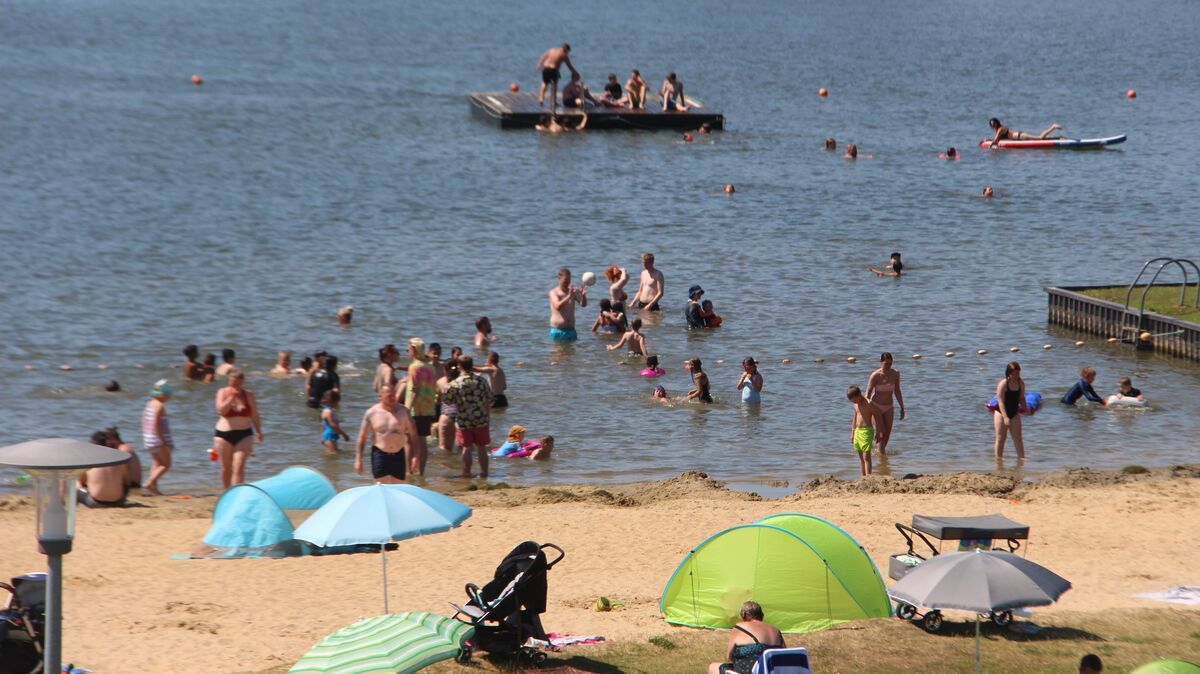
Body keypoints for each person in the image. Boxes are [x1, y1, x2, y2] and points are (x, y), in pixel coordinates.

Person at [443, 356, 493, 478]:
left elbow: (447, 402)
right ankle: (484, 473)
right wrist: (487, 415)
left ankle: (466, 473)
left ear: (459, 366)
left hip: (464, 420)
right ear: (471, 365)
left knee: (466, 448)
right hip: (481, 419)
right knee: (482, 448)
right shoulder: (481, 381)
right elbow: (489, 399)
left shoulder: (454, 384)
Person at [355, 386, 417, 484]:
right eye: (389, 396)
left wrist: (415, 456)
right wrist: (358, 460)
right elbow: (362, 438)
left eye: (394, 395)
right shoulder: (371, 413)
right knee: (381, 487)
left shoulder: (404, 412)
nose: (393, 398)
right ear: (381, 396)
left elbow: (413, 434)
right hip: (380, 454)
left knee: (399, 487)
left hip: (398, 454)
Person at [707, 601, 785, 674]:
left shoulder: (740, 627)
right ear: (761, 614)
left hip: (749, 671)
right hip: (772, 671)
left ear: (743, 614)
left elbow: (729, 657)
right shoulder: (776, 631)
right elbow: (784, 654)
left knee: (713, 667)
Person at [214, 369, 261, 488]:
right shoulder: (222, 392)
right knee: (226, 467)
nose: (236, 386)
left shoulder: (248, 395)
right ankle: (226, 492)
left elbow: (255, 414)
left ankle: (235, 494)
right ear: (229, 381)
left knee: (239, 466)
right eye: (233, 383)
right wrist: (231, 398)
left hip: (244, 434)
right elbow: (220, 410)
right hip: (223, 435)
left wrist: (258, 431)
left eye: (238, 383)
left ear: (242, 382)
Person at [404, 337, 438, 476]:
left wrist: (406, 409)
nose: (407, 351)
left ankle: (409, 472)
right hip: (428, 408)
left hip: (415, 409)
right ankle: (422, 473)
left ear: (413, 350)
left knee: (408, 441)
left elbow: (413, 390)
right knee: (422, 441)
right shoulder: (430, 367)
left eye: (408, 349)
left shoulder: (414, 367)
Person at [77, 431, 135, 507]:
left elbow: (81, 481)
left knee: (76, 483)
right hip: (117, 502)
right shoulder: (118, 460)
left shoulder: (90, 461)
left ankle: (75, 506)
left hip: (96, 502)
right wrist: (122, 498)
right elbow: (127, 483)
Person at [866, 353, 905, 453]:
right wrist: (866, 410)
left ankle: (880, 456)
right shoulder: (875, 375)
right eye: (886, 364)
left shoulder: (895, 373)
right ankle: (881, 459)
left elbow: (897, 390)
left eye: (890, 364)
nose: (888, 366)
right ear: (881, 362)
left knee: (887, 435)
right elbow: (868, 393)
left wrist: (902, 407)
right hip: (876, 406)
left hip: (889, 407)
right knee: (881, 433)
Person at [141, 379, 175, 495]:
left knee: (156, 462)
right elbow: (156, 423)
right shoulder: (160, 406)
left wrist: (146, 435)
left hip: (149, 438)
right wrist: (163, 441)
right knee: (166, 464)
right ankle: (150, 482)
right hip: (158, 439)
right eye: (167, 396)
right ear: (163, 395)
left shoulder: (149, 404)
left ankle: (153, 488)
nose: (168, 398)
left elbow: (144, 420)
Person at [994, 362, 1027, 460]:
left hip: (1014, 412)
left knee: (1018, 438)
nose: (1017, 376)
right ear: (1009, 373)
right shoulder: (1003, 384)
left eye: (1018, 373)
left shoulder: (1020, 383)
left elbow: (1021, 398)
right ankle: (998, 461)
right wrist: (1005, 417)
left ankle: (1021, 459)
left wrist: (1025, 408)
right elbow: (1000, 401)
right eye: (1015, 374)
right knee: (1001, 438)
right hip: (1000, 412)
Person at [548, 267, 588, 341]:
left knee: (571, 352)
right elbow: (557, 306)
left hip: (571, 330)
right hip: (558, 331)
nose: (567, 283)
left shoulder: (572, 292)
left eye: (569, 280)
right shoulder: (554, 292)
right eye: (565, 280)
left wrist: (583, 296)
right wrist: (569, 296)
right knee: (559, 352)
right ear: (559, 278)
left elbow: (583, 304)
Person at [536, 43, 578, 113]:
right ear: (566, 50)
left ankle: (541, 99)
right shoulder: (564, 55)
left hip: (546, 68)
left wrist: (539, 64)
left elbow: (544, 56)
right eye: (567, 52)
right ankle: (554, 101)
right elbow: (569, 66)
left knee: (544, 83)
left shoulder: (552, 50)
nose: (567, 53)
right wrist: (575, 72)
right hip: (553, 70)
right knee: (554, 85)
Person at [847, 385, 879, 476]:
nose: (853, 402)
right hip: (857, 431)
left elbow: (877, 416)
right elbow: (855, 417)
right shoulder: (855, 404)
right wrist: (852, 432)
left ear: (858, 395)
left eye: (854, 400)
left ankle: (868, 476)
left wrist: (878, 431)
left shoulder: (868, 403)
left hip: (867, 431)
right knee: (861, 457)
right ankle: (863, 476)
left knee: (866, 456)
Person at [436, 359, 459, 454]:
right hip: (459, 417)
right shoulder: (462, 381)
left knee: (443, 449)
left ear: (445, 370)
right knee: (461, 448)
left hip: (446, 415)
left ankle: (445, 468)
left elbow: (437, 400)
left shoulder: (440, 382)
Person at [987, 118, 1062, 148]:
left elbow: (995, 141)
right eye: (991, 125)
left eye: (993, 124)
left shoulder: (1000, 129)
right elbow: (996, 139)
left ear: (997, 123)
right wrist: (989, 140)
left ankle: (1053, 127)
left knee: (1039, 138)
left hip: (1020, 136)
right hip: (1019, 136)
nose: (992, 125)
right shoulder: (998, 129)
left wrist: (988, 144)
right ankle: (1057, 138)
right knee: (1039, 138)